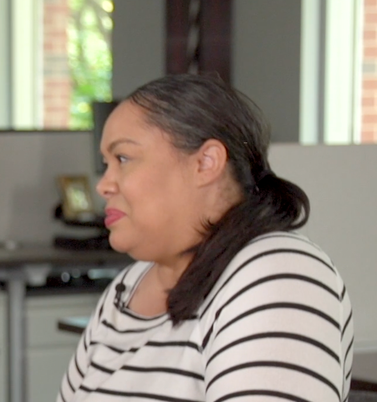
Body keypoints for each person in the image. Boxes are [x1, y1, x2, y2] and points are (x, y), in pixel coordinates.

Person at [59, 74, 353, 401]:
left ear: (205, 163)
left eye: (123, 159)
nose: (104, 185)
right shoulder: (127, 286)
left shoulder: (277, 273)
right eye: (106, 163)